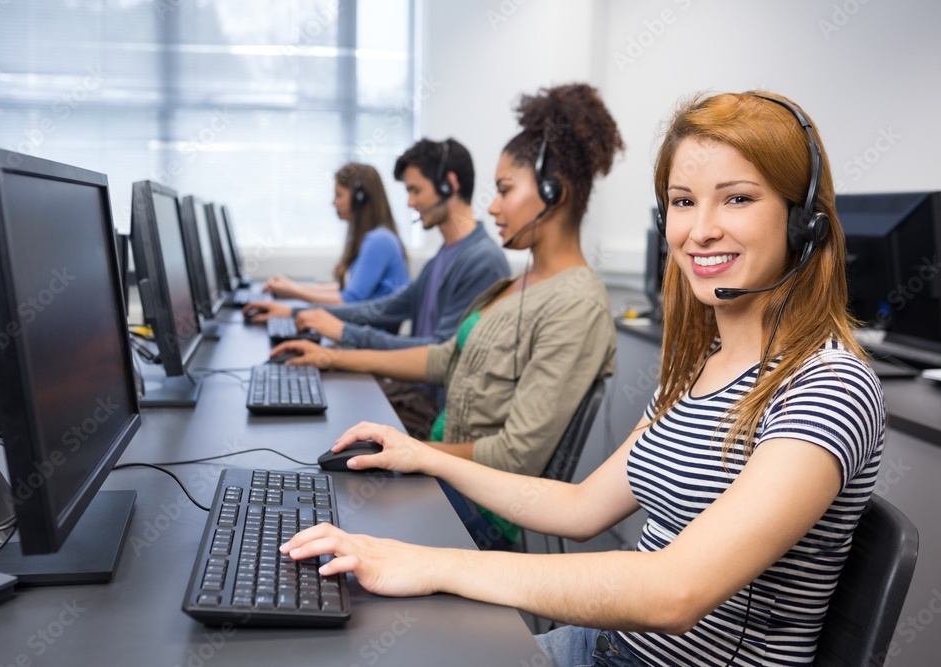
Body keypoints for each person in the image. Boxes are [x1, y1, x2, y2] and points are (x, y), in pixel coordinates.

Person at [279, 91, 885, 666]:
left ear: (804, 221)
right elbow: (580, 506)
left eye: (736, 198)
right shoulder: (702, 367)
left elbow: (671, 592)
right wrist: (427, 457)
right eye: (682, 201)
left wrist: (431, 565)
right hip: (605, 647)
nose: (699, 229)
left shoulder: (829, 386)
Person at [274, 83, 622, 549]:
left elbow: (516, 456)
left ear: (552, 191)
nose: (493, 207)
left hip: (479, 509)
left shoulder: (577, 304)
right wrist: (332, 359)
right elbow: (442, 359)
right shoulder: (516, 285)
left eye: (504, 191)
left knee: (327, 507)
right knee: (314, 487)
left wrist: (415, 454)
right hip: (445, 474)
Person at [260, 138, 511, 436]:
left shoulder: (482, 262)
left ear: (448, 184)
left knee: (327, 423)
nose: (409, 202)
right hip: (414, 394)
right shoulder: (443, 256)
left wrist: (343, 333)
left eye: (415, 190)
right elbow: (384, 308)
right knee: (319, 398)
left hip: (434, 412)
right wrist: (298, 312)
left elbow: (439, 355)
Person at [243, 163, 409, 315]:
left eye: (339, 195)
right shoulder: (373, 237)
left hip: (369, 338)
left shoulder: (379, 240)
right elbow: (347, 289)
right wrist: (292, 287)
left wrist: (293, 293)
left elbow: (349, 300)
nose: (333, 202)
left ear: (360, 199)